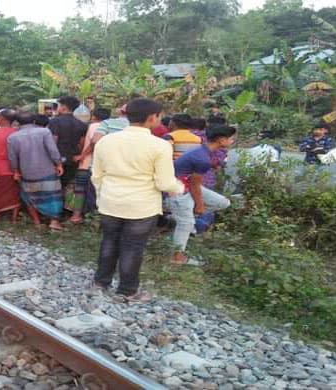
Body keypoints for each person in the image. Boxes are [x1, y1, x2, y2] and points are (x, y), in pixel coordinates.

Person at [91, 98, 184, 303]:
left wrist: (102, 196)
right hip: (141, 206)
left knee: (109, 241)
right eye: (159, 116)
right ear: (152, 118)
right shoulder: (159, 145)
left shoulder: (106, 141)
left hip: (110, 202)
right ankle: (127, 290)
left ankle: (100, 282)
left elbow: (96, 175)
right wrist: (179, 187)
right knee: (132, 247)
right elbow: (165, 182)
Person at [167, 125, 236, 265]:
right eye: (231, 138)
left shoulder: (205, 152)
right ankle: (177, 258)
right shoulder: (202, 158)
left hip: (186, 185)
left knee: (223, 203)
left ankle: (181, 216)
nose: (233, 141)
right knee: (187, 223)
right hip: (178, 189)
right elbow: (195, 185)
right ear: (221, 140)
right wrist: (199, 205)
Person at [7, 111, 64, 230]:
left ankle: (37, 222)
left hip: (27, 172)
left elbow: (12, 157)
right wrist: (58, 164)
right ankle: (54, 221)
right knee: (53, 196)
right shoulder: (44, 132)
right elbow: (53, 150)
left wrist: (16, 171)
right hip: (47, 169)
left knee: (29, 197)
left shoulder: (12, 137)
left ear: (17, 123)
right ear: (34, 121)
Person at [67, 107, 110, 223]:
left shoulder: (93, 126)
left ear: (94, 116)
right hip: (104, 166)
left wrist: (81, 156)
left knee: (80, 189)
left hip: (87, 163)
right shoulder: (110, 127)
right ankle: (97, 217)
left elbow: (92, 143)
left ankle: (76, 216)